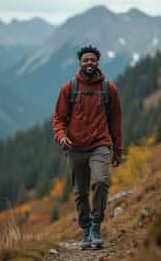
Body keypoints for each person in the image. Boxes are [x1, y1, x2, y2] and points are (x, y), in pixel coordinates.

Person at [53, 45, 123, 249]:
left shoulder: (108, 89)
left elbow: (116, 121)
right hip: (74, 147)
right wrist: (61, 136)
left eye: (92, 60)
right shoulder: (69, 88)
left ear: (98, 62)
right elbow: (58, 117)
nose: (89, 63)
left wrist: (117, 150)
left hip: (100, 144)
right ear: (80, 63)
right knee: (80, 192)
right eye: (86, 60)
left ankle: (95, 226)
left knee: (100, 182)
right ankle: (85, 229)